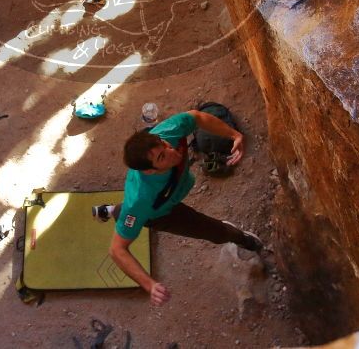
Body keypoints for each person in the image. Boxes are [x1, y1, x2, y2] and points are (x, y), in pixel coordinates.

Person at [96, 110, 263, 306]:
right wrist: (149, 285)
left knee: (129, 215)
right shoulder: (140, 201)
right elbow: (117, 250)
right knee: (215, 231)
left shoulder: (168, 133)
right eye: (161, 157)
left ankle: (109, 210)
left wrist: (234, 135)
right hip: (161, 212)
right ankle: (244, 240)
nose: (171, 152)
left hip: (173, 190)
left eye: (164, 145)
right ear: (149, 171)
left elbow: (197, 117)